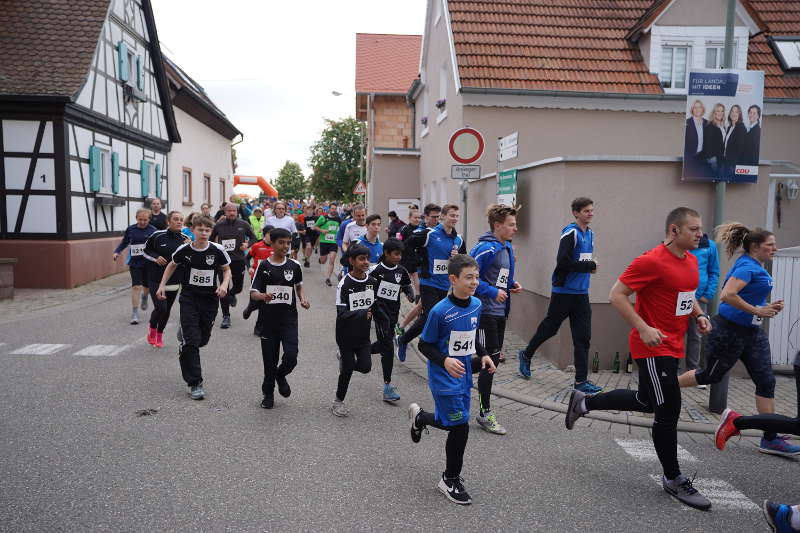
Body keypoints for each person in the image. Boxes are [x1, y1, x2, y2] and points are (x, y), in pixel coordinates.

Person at [564, 207, 713, 510]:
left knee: (646, 400)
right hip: (652, 346)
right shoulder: (651, 261)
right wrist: (643, 328)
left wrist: (698, 315)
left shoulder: (693, 260)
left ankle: (583, 402)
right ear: (675, 230)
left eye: (700, 229)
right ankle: (673, 478)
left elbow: (686, 292)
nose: (700, 234)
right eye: (694, 229)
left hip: (673, 345)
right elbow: (616, 294)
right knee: (668, 408)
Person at [677, 223, 799, 456]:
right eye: (770, 245)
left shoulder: (756, 266)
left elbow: (745, 298)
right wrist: (757, 310)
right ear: (755, 247)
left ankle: (770, 438)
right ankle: (664, 388)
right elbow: (727, 295)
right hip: (729, 332)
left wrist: (766, 307)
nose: (775, 248)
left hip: (751, 334)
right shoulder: (746, 266)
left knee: (766, 382)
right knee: (709, 376)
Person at [407, 254, 496, 506]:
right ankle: (449, 479)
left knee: (454, 422)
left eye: (477, 277)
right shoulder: (439, 311)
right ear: (453, 279)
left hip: (465, 372)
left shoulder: (477, 304)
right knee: (460, 427)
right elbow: (425, 345)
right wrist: (445, 360)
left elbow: (473, 333)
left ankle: (421, 417)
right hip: (444, 376)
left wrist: (484, 354)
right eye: (469, 277)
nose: (475, 282)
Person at [518, 197, 601, 394]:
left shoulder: (590, 234)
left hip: (581, 294)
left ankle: (581, 381)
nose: (591, 214)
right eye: (586, 211)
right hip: (563, 292)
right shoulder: (570, 232)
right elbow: (562, 262)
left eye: (592, 210)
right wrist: (591, 266)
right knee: (550, 328)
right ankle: (527, 354)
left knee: (583, 337)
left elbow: (581, 262)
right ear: (576, 213)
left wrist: (588, 269)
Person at [157, 215, 231, 400]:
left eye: (207, 230)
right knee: (191, 342)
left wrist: (223, 285)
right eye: (200, 230)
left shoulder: (217, 250)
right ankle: (195, 382)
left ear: (210, 232)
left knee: (202, 340)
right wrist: (162, 285)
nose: (204, 233)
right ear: (193, 230)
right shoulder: (185, 250)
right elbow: (172, 265)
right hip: (189, 297)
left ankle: (186, 333)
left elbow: (226, 269)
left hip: (210, 299)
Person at [470, 204, 522, 435]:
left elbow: (500, 276)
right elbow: (468, 276)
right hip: (485, 313)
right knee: (488, 363)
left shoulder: (506, 247)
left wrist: (511, 284)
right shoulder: (486, 248)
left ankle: (447, 366)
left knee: (492, 361)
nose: (515, 228)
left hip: (500, 312)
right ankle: (484, 412)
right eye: (511, 225)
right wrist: (492, 292)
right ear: (497, 225)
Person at [248, 228, 310, 409]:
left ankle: (281, 374)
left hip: (289, 320)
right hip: (268, 321)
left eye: (288, 243)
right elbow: (253, 293)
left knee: (291, 357)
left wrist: (302, 299)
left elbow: (298, 287)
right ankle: (268, 393)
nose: (285, 246)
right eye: (281, 243)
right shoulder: (264, 266)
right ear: (272, 244)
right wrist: (262, 296)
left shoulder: (294, 265)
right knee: (269, 361)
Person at [396, 204, 465, 362]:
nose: (454, 218)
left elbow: (464, 261)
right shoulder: (429, 234)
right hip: (428, 282)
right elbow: (406, 246)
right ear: (443, 216)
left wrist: (457, 258)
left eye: (457, 216)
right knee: (430, 315)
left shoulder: (458, 239)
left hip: (445, 285)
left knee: (436, 317)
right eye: (451, 215)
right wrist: (418, 263)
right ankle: (413, 342)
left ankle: (413, 340)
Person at [331, 245, 377, 417]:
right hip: (346, 335)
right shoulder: (344, 284)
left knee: (365, 367)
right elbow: (341, 314)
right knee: (348, 369)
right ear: (351, 261)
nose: (366, 262)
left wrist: (387, 325)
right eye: (361, 259)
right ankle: (338, 401)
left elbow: (376, 307)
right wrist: (362, 313)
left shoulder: (372, 282)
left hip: (363, 335)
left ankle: (345, 362)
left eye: (367, 258)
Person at [369, 239, 414, 402]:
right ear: (386, 253)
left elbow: (406, 285)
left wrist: (410, 294)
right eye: (396, 254)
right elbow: (366, 286)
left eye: (400, 254)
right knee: (387, 348)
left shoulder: (401, 271)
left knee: (384, 344)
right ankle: (387, 386)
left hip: (394, 312)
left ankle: (357, 351)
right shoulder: (375, 270)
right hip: (379, 313)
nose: (399, 257)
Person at [143, 211, 186, 347]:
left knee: (167, 309)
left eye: (181, 219)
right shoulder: (157, 236)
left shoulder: (185, 239)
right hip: (156, 278)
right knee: (160, 308)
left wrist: (189, 246)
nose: (179, 222)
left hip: (174, 280)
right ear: (169, 221)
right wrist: (155, 257)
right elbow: (145, 250)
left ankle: (160, 335)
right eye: (175, 219)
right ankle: (152, 329)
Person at [210, 203, 256, 329]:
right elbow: (211, 239)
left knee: (238, 287)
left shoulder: (243, 224)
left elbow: (254, 238)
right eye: (229, 211)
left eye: (234, 211)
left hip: (238, 260)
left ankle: (231, 294)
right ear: (224, 212)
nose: (231, 213)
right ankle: (226, 316)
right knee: (223, 288)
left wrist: (247, 245)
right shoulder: (219, 226)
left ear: (237, 212)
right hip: (223, 261)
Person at [684, 231, 719, 384]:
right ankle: (672, 372)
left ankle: (693, 373)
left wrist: (708, 295)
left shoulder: (709, 245)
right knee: (674, 333)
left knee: (696, 336)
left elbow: (714, 272)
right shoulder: (681, 244)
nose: (696, 232)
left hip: (699, 298)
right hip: (678, 296)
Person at [113, 208, 157, 324]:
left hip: (149, 262)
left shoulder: (153, 230)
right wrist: (117, 251)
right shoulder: (131, 229)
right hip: (135, 262)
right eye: (140, 219)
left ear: (149, 219)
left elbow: (157, 246)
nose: (142, 222)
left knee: (147, 286)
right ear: (136, 218)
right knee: (136, 286)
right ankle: (135, 313)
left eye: (145, 220)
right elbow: (124, 242)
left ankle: (145, 297)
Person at [315, 207, 341, 287]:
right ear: (329, 209)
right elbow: (315, 227)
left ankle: (328, 278)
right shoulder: (323, 217)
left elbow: (341, 229)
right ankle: (321, 259)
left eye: (335, 209)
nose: (333, 210)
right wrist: (322, 231)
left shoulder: (338, 219)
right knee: (323, 261)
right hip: (324, 241)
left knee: (332, 260)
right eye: (332, 208)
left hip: (333, 242)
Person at [683, 99, 708, 178]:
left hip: (703, 159)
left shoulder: (707, 123)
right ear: (692, 109)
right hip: (690, 158)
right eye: (695, 107)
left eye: (699, 107)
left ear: (702, 109)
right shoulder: (687, 122)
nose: (697, 109)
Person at [722, 104, 746, 180]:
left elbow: (740, 149)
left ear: (740, 115)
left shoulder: (741, 128)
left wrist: (734, 166)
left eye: (736, 112)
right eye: (732, 111)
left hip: (733, 165)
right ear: (730, 113)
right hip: (726, 162)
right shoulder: (730, 127)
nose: (734, 113)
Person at [702, 103, 726, 178]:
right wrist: (712, 159)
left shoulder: (723, 126)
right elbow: (707, 144)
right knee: (716, 179)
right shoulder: (710, 126)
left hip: (722, 159)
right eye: (718, 111)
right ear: (714, 112)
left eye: (722, 111)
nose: (720, 113)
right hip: (714, 160)